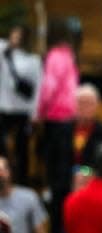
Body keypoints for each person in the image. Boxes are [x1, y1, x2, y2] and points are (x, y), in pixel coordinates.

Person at [35, 18, 79, 233]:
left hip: (55, 119)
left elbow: (49, 86)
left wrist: (39, 112)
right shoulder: (70, 56)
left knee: (55, 178)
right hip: (68, 120)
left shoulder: (54, 56)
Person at [0, 24, 41, 187]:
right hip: (3, 108)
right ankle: (3, 179)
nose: (15, 39)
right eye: (13, 35)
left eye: (19, 36)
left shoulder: (32, 60)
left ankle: (21, 181)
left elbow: (38, 86)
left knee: (22, 148)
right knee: (2, 147)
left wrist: (35, 112)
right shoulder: (3, 53)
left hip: (23, 110)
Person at [72, 83, 102, 169]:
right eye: (81, 103)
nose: (84, 107)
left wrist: (86, 172)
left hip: (94, 179)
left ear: (97, 106)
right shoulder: (64, 131)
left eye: (89, 103)